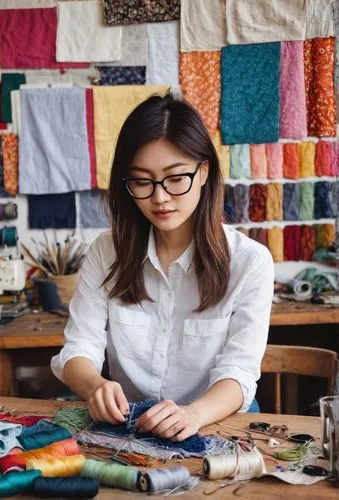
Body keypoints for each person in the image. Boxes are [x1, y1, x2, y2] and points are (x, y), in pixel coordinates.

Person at [51, 93, 274, 442]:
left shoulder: (250, 262)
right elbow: (79, 348)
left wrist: (193, 413)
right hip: (130, 430)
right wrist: (95, 385)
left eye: (175, 178)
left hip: (217, 426)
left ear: (203, 172)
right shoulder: (105, 253)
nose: (160, 197)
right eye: (142, 181)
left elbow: (240, 372)